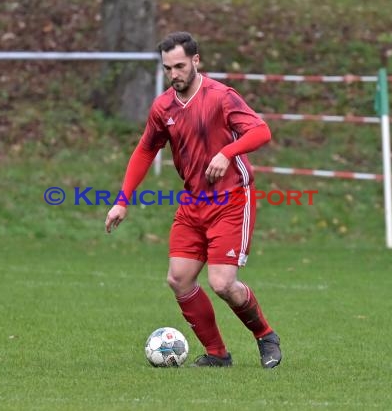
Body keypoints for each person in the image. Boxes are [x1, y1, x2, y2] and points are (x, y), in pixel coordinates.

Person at [105, 31, 282, 368]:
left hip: (232, 200)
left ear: (196, 61)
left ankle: (265, 336)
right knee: (179, 279)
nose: (175, 74)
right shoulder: (163, 107)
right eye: (168, 68)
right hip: (193, 203)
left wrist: (227, 153)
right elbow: (145, 150)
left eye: (180, 66)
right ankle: (218, 354)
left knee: (222, 284)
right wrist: (122, 200)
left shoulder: (221, 97)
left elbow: (261, 130)